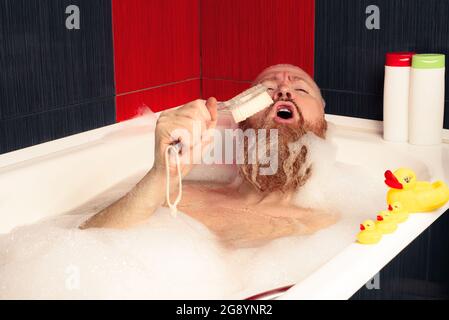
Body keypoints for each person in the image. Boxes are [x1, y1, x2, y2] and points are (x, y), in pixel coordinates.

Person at [80, 64, 337, 247]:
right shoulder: (177, 196)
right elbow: (86, 245)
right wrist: (163, 174)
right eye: (267, 88)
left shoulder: (326, 226)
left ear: (323, 126)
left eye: (301, 90)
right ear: (241, 120)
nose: (283, 91)